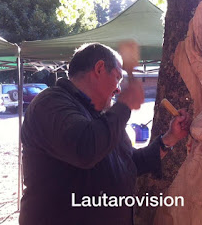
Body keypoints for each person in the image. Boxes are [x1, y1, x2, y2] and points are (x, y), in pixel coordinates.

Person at [19, 42, 191, 225]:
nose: (118, 89)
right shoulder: (50, 104)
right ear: (100, 68)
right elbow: (85, 148)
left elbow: (130, 163)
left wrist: (169, 138)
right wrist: (124, 105)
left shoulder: (102, 118)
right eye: (117, 77)